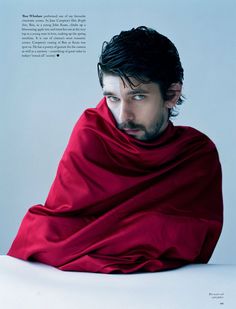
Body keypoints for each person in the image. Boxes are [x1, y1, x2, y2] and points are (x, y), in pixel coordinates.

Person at [8, 26, 223, 274]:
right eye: (112, 98)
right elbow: (49, 233)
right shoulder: (92, 133)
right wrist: (149, 229)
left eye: (138, 97)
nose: (123, 115)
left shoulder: (196, 155)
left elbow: (193, 243)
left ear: (172, 94)